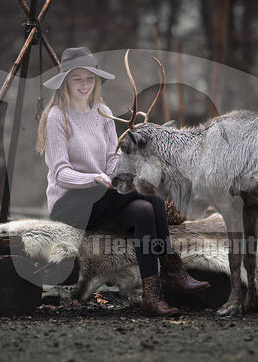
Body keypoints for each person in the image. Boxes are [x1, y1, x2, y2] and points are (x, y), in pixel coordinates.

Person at [36, 47, 210, 316]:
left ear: (96, 81)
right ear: (65, 82)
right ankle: (172, 267)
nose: (84, 85)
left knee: (143, 209)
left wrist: (117, 172)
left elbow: (110, 158)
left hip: (105, 200)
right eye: (77, 79)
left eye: (89, 79)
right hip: (70, 206)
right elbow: (61, 173)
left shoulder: (103, 112)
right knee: (148, 192)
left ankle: (151, 297)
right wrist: (94, 178)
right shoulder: (57, 117)